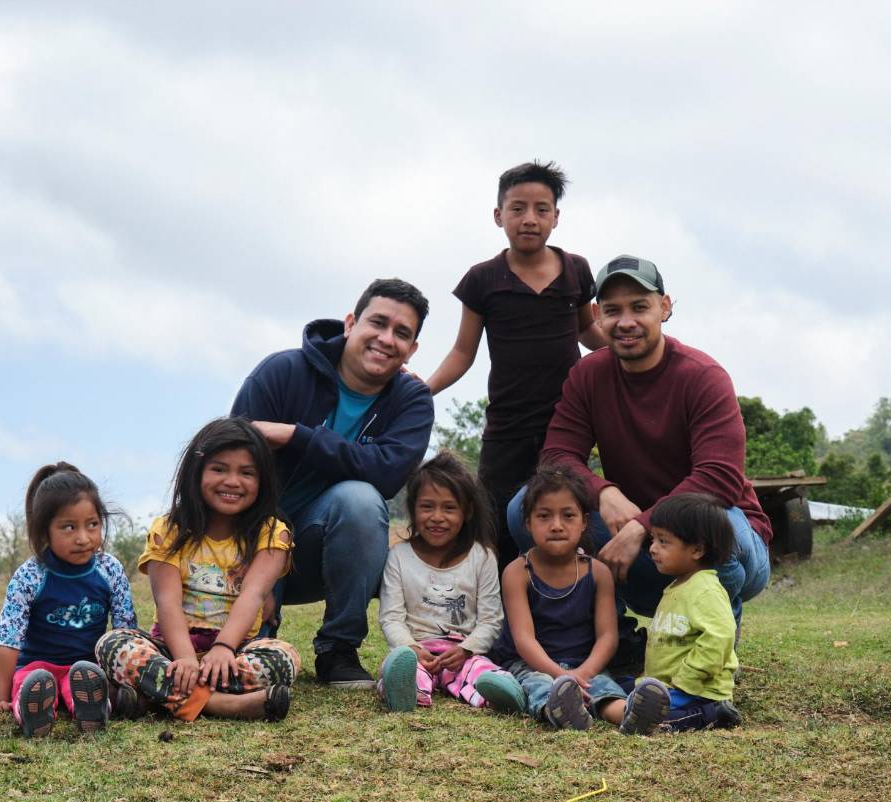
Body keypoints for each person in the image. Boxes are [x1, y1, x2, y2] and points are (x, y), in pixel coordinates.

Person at [507, 254, 772, 666]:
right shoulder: (589, 375)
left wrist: (642, 525)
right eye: (613, 310)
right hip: (633, 541)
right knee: (523, 508)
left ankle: (710, 650)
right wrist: (603, 492)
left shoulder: (703, 376)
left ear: (664, 307)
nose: (626, 321)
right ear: (597, 315)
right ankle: (603, 636)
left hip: (725, 538)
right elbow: (557, 457)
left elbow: (719, 478)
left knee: (717, 525)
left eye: (639, 307)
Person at [231, 278, 434, 688]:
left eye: (402, 333)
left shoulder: (411, 401)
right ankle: (255, 631)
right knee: (245, 663)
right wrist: (257, 568)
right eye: (378, 323)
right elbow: (230, 465)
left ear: (412, 349)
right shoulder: (282, 372)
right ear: (350, 323)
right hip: (248, 543)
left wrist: (297, 436)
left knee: (360, 499)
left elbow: (387, 474)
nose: (386, 339)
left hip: (321, 552)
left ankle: (338, 649)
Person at [426, 161, 605, 571]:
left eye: (542, 209)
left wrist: (633, 346)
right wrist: (425, 388)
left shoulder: (576, 270)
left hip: (567, 422)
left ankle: (575, 598)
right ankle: (501, 606)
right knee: (497, 525)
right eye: (518, 208)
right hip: (507, 427)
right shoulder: (483, 279)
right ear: (498, 215)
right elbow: (463, 352)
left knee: (569, 516)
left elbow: (586, 330)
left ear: (556, 217)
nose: (529, 219)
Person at [96, 418, 298, 722]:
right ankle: (222, 705)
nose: (232, 481)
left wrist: (224, 648)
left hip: (234, 651)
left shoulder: (271, 534)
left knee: (284, 657)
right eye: (219, 469)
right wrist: (185, 658)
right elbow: (168, 601)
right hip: (171, 649)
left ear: (262, 481)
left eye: (247, 473)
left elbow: (253, 595)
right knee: (112, 644)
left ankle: (151, 700)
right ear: (196, 472)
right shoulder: (169, 530)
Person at [490, 467, 669, 734]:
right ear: (527, 523)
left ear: (584, 522)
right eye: (544, 516)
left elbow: (607, 637)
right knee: (540, 686)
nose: (556, 525)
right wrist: (559, 674)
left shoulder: (599, 572)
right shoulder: (517, 572)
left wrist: (584, 672)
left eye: (568, 515)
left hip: (585, 663)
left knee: (605, 688)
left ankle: (632, 715)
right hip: (532, 664)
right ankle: (560, 711)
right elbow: (524, 639)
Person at [0, 463, 138, 737]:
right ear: (44, 531)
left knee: (85, 683)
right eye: (69, 527)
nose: (83, 538)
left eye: (92, 524)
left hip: (86, 669)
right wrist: (0, 699)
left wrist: (124, 682)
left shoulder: (110, 569)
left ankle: (94, 710)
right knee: (30, 683)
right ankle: (32, 712)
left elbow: (125, 633)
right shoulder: (30, 575)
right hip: (35, 668)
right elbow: (9, 641)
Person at [376, 451, 526, 714]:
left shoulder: (482, 556)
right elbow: (391, 618)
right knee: (402, 668)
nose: (437, 517)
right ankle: (404, 691)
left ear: (467, 511)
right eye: (427, 507)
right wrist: (411, 647)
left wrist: (467, 649)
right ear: (412, 509)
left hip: (463, 653)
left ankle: (500, 693)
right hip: (415, 651)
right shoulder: (398, 556)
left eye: (449, 508)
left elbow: (491, 620)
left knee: (482, 671)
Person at [624, 493, 742, 732]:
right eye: (653, 539)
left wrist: (687, 681)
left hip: (696, 692)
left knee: (661, 718)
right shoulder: (677, 586)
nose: (652, 549)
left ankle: (715, 714)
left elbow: (719, 636)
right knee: (620, 688)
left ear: (697, 549)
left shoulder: (705, 589)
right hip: (668, 687)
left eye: (663, 541)